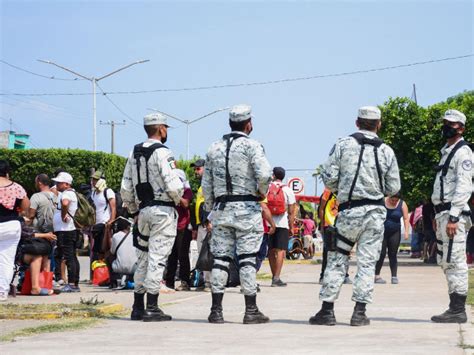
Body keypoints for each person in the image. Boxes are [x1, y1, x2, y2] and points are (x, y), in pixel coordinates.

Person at [310, 106, 400, 327]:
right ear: (378, 124)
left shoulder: (343, 145)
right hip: (375, 214)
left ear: (357, 122)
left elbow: (329, 177)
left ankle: (327, 311)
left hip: (349, 211)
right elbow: (394, 186)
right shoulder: (386, 151)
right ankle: (359, 313)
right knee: (368, 262)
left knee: (337, 259)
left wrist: (342, 190)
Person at [202, 104, 272, 324]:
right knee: (247, 260)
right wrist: (261, 193)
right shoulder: (253, 146)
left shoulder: (214, 148)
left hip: (222, 210)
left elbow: (207, 185)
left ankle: (216, 311)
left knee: (220, 260)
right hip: (247, 211)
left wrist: (213, 207)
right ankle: (250, 311)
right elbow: (264, 175)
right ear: (249, 123)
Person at [121, 112, 183, 322]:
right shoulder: (164, 152)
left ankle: (137, 306)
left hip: (143, 211)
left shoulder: (134, 152)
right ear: (161, 129)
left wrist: (133, 209)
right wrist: (177, 198)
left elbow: (126, 186)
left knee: (143, 259)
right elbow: (173, 184)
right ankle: (153, 307)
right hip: (162, 211)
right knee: (158, 259)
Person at [431, 109, 472, 324]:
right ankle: (453, 307)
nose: (447, 126)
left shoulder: (463, 153)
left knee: (455, 261)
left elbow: (465, 187)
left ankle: (457, 309)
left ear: (461, 128)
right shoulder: (447, 151)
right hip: (443, 214)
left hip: (453, 215)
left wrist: (454, 217)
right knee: (446, 261)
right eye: (445, 123)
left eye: (452, 124)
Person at [0, 160, 29, 301]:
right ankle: (2, 292)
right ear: (7, 172)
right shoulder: (17, 187)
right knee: (6, 260)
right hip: (11, 225)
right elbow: (25, 207)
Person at [164, 169, 193, 291]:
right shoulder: (169, 192)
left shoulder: (187, 191)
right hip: (171, 226)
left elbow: (186, 204)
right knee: (171, 256)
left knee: (183, 255)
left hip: (183, 227)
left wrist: (177, 195)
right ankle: (169, 282)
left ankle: (185, 281)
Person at [267, 167, 296, 287]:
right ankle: (276, 278)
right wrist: (291, 226)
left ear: (273, 175)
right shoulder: (288, 190)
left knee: (271, 251)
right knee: (280, 251)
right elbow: (291, 211)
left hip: (268, 223)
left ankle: (274, 276)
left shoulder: (268, 187)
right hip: (282, 223)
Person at [52, 172, 81, 293]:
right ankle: (74, 283)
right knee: (72, 256)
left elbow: (65, 203)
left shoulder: (67, 194)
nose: (57, 184)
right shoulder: (71, 193)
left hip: (66, 230)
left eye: (59, 182)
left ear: (66, 184)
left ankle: (72, 284)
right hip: (68, 230)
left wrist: (64, 215)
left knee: (69, 257)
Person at [318, 188, 351, 284]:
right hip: (329, 224)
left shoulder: (346, 189)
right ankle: (323, 275)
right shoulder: (328, 191)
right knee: (327, 251)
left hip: (343, 224)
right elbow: (321, 208)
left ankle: (344, 275)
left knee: (345, 250)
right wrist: (322, 225)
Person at [374, 193, 409, 284]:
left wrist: (406, 232)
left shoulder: (402, 204)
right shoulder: (382, 201)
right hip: (382, 232)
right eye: (392, 200)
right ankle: (376, 276)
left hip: (395, 232)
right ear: (389, 197)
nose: (394, 202)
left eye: (396, 201)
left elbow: (406, 218)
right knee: (381, 253)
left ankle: (394, 276)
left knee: (393, 254)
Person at [18, 221, 57, 295]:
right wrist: (44, 235)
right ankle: (35, 288)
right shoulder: (18, 220)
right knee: (37, 257)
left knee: (45, 255)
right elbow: (25, 234)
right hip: (20, 251)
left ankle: (46, 285)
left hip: (31, 246)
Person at [191, 158, 212, 291]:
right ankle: (205, 281)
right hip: (201, 225)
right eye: (195, 169)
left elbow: (210, 204)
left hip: (208, 224)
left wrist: (209, 221)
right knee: (202, 253)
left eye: (198, 169)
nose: (196, 171)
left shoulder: (209, 184)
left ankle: (211, 283)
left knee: (209, 253)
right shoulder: (201, 185)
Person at [90, 170, 116, 262]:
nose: (93, 182)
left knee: (105, 249)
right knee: (98, 250)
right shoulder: (94, 193)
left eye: (96, 180)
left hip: (105, 225)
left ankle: (106, 271)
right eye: (92, 179)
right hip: (96, 225)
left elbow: (113, 207)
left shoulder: (108, 191)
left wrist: (111, 221)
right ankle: (100, 272)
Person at [108, 217, 137, 287]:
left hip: (119, 268)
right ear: (128, 227)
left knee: (108, 257)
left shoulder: (115, 236)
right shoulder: (134, 235)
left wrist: (108, 232)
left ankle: (113, 281)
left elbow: (112, 252)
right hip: (135, 268)